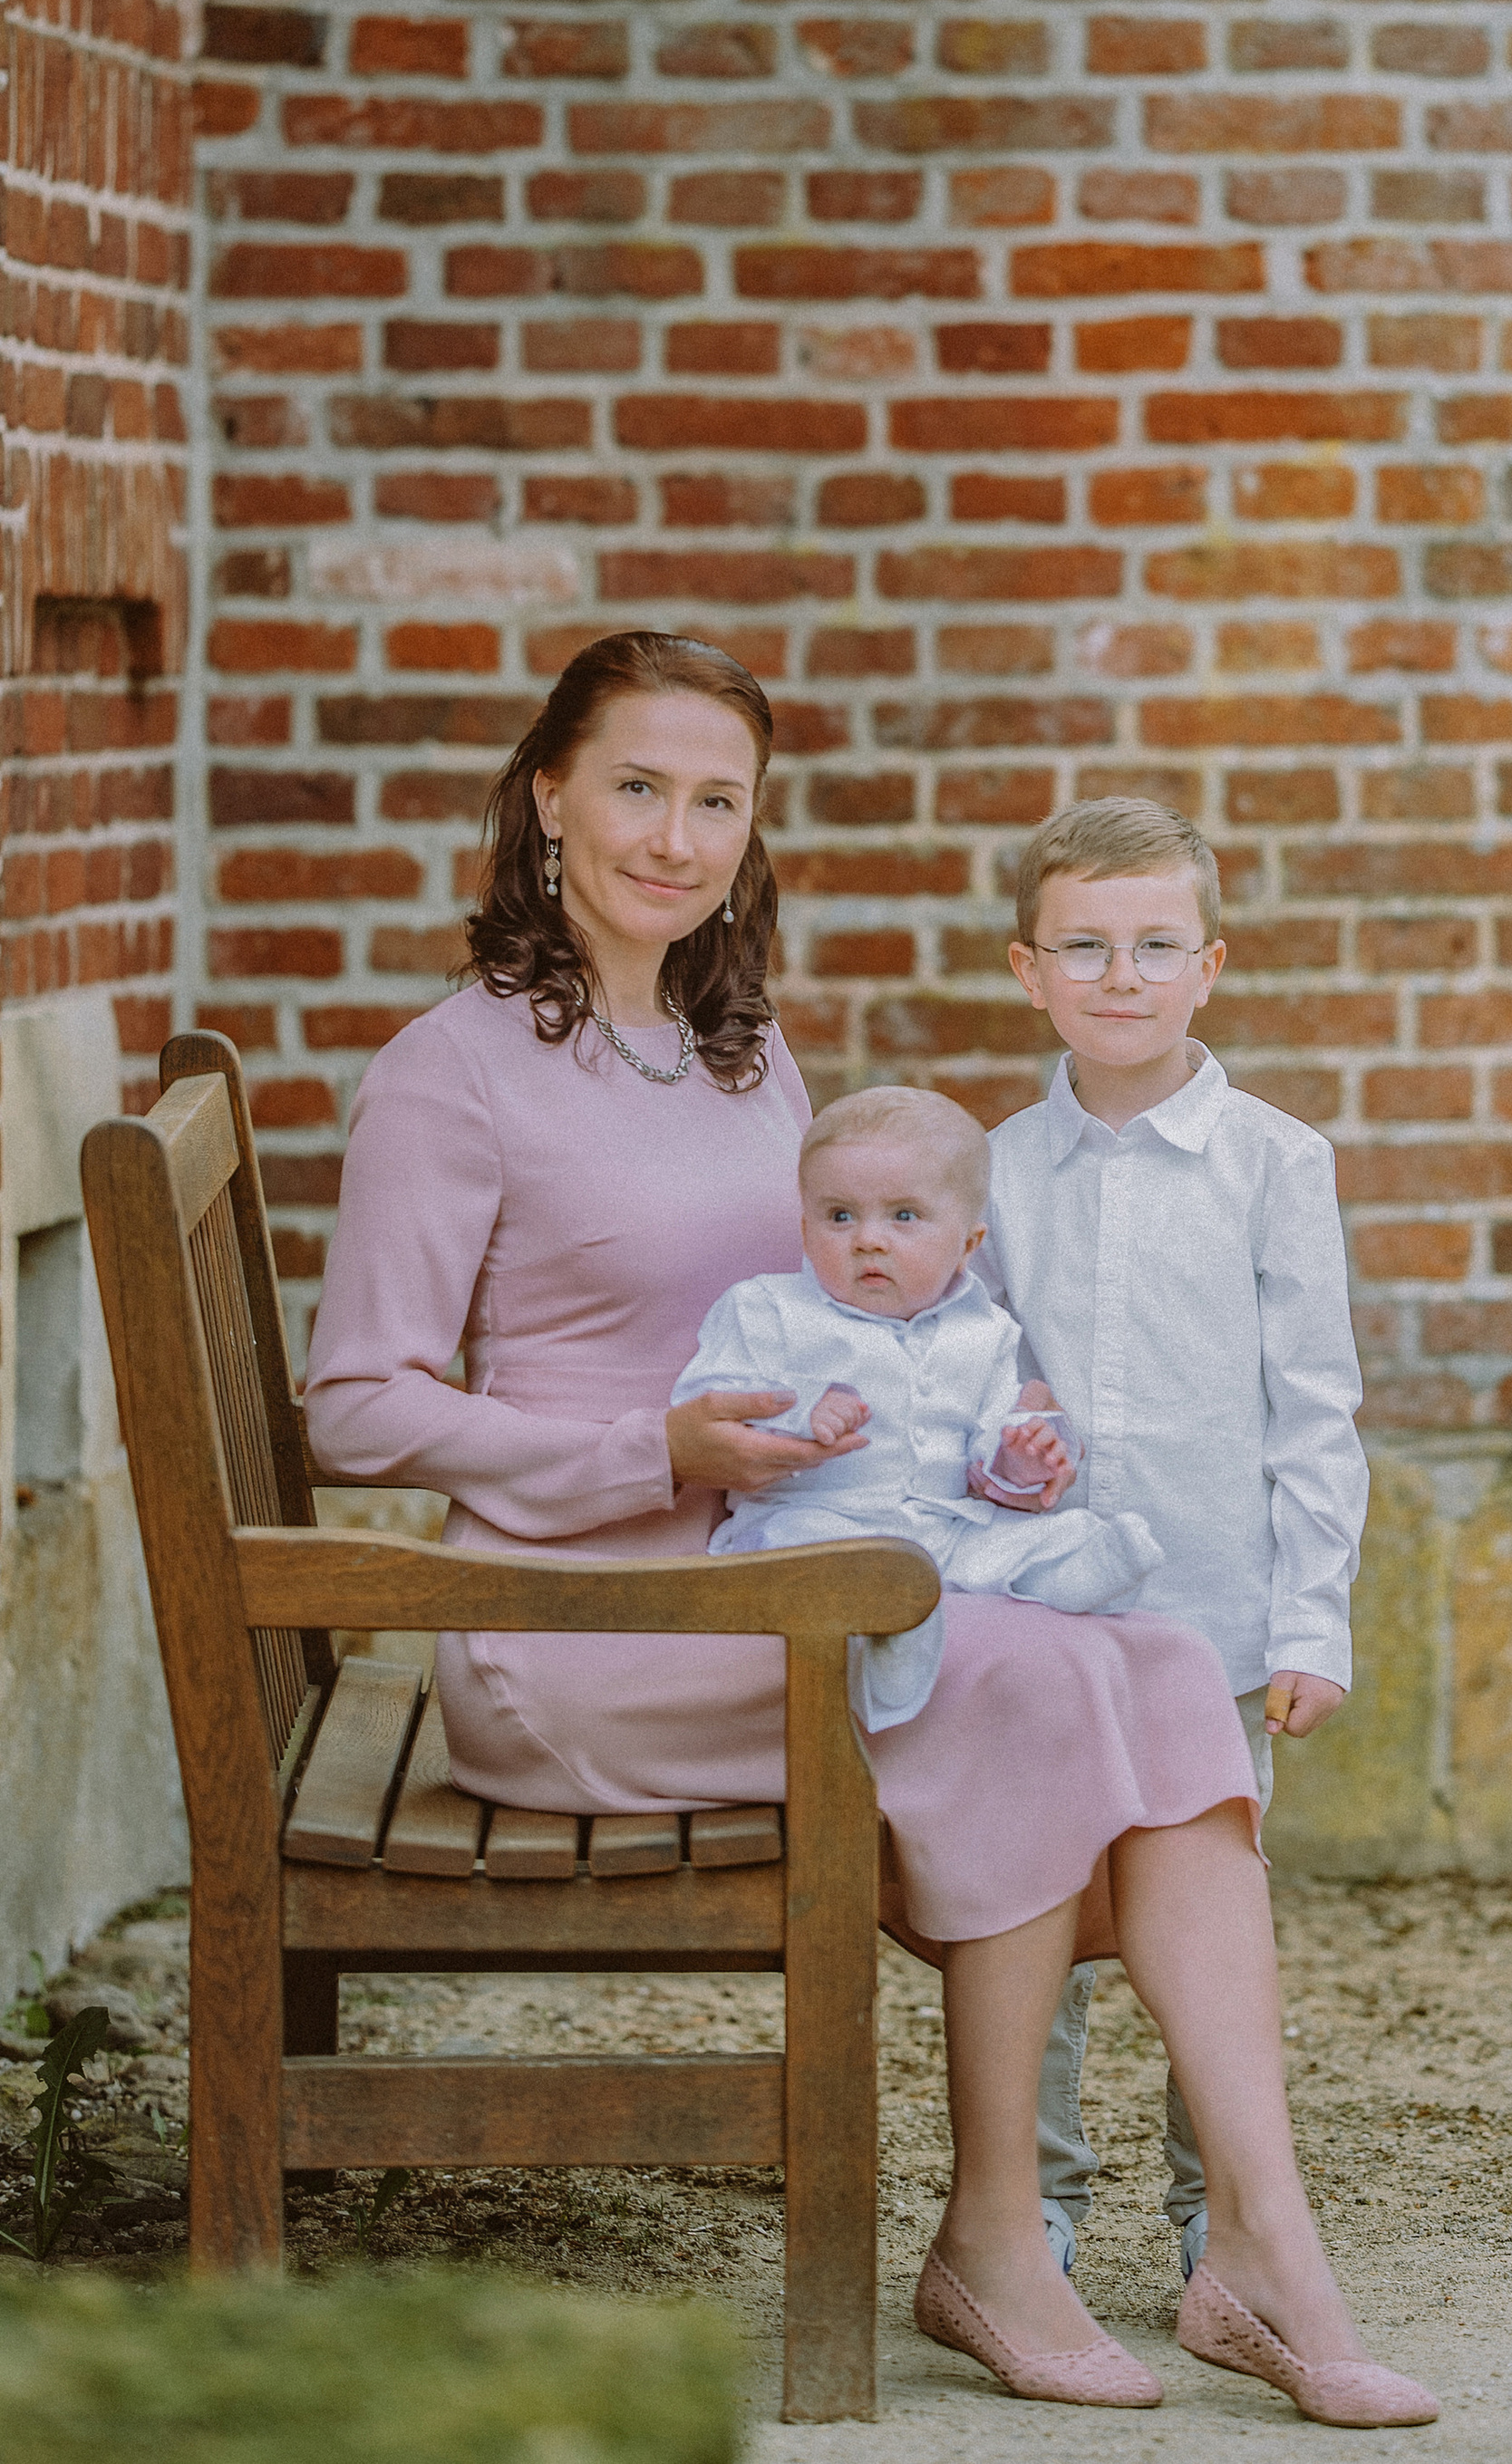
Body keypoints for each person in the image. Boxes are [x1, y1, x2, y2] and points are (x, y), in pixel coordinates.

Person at [302, 631, 1434, 2426]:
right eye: (636, 786)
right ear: (547, 799)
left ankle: (1259, 2251)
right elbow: (357, 1401)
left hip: (779, 1578)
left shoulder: (740, 1053)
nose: (673, 834)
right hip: (584, 1630)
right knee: (1043, 1681)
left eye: (716, 801)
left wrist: (987, 1442)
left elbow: (859, 1331)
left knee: (1150, 1666)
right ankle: (1002, 2241)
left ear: (749, 835)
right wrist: (649, 1449)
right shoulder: (458, 1071)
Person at [983, 796, 1369, 2284]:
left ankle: (1225, 2225)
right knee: (1046, 1918)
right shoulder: (1000, 1170)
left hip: (1214, 1616)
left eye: (1154, 944)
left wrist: (1309, 1619)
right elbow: (970, 1381)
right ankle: (1041, 2213)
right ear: (1031, 969)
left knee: (1212, 1937)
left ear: (1210, 964)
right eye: (1085, 945)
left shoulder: (1278, 1161)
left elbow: (1315, 1405)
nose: (1120, 973)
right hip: (1047, 1632)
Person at [671, 1082, 1161, 1727]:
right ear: (805, 1225)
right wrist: (799, 1412)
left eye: (903, 1216)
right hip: (811, 1523)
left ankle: (1075, 1568)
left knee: (1033, 1536)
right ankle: (890, 1633)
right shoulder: (766, 1309)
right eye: (840, 1216)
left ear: (966, 1243)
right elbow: (704, 1405)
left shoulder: (986, 1333)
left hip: (937, 1524)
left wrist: (1020, 1459)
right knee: (845, 1567)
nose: (868, 1239)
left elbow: (986, 1464)